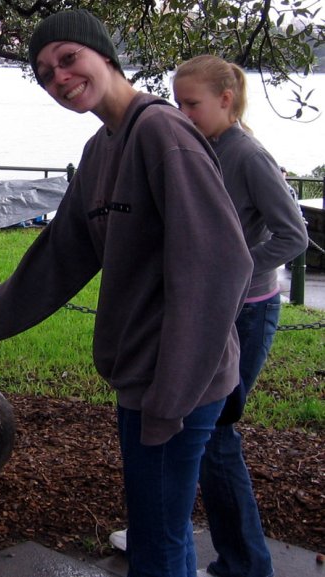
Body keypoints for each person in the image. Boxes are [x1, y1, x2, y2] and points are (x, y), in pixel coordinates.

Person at [0, 10, 253, 577]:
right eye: (44, 72)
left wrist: (170, 400)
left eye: (67, 58)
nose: (58, 77)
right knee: (164, 534)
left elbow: (220, 268)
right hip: (140, 379)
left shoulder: (164, 134)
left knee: (154, 548)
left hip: (177, 387)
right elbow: (55, 262)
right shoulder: (101, 150)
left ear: (105, 55)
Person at [173, 55, 308, 577]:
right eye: (178, 104)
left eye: (193, 104)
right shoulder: (202, 146)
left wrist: (237, 268)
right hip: (211, 311)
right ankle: (196, 544)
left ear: (225, 101)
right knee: (200, 433)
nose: (184, 114)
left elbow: (293, 236)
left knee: (216, 434)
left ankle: (247, 564)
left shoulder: (248, 155)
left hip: (247, 314)